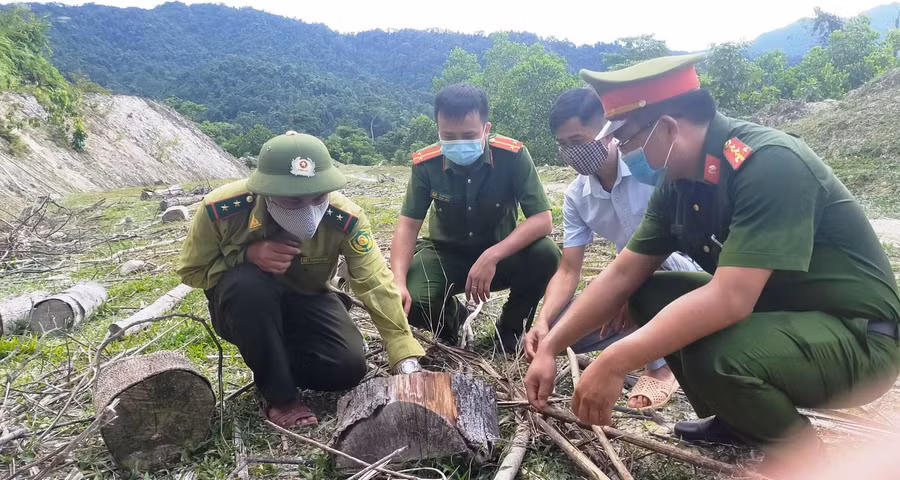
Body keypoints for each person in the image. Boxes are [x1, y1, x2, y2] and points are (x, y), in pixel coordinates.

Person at [524, 53, 900, 469]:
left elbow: (731, 299)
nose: (624, 152)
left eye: (628, 141)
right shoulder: (680, 182)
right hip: (780, 317)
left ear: (666, 127)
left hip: (859, 337)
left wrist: (615, 361)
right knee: (647, 292)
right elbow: (624, 273)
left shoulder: (769, 163)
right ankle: (738, 417)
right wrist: (552, 347)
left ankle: (801, 456)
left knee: (717, 355)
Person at [178, 131, 425, 429]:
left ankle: (273, 357)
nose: (309, 210)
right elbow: (192, 271)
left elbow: (374, 281)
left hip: (309, 297)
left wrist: (404, 354)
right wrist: (245, 257)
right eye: (293, 201)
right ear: (266, 191)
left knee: (347, 368)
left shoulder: (345, 218)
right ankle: (280, 396)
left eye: (318, 197)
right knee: (248, 285)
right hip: (245, 306)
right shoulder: (222, 210)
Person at [526, 88, 702, 410]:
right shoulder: (577, 196)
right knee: (560, 333)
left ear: (607, 131)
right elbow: (568, 270)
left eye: (578, 140)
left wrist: (627, 289)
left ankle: (662, 366)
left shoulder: (647, 166)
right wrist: (543, 320)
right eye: (563, 145)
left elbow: (671, 243)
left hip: (680, 271)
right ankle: (651, 335)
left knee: (645, 283)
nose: (571, 152)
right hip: (627, 279)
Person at [391, 84, 561, 353]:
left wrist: (492, 255)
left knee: (547, 253)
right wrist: (397, 282)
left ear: (486, 128)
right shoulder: (426, 163)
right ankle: (450, 322)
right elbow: (407, 226)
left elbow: (542, 220)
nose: (458, 143)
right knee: (412, 298)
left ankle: (511, 327)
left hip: (502, 256)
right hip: (445, 254)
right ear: (437, 129)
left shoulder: (513, 157)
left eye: (468, 135)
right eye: (448, 135)